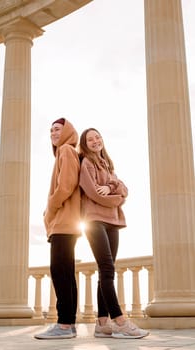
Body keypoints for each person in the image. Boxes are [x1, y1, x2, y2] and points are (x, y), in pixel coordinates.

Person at [79, 127, 149, 339]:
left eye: (97, 137)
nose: (95, 141)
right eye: (90, 139)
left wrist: (111, 187)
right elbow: (92, 192)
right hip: (94, 220)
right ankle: (119, 321)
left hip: (113, 221)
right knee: (107, 268)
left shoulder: (107, 165)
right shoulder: (87, 163)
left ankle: (101, 324)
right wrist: (116, 197)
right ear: (85, 144)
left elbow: (124, 190)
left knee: (105, 271)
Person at [34, 118, 81, 339]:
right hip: (68, 223)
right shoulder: (68, 151)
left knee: (59, 273)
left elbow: (67, 185)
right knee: (66, 274)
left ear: (67, 132)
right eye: (51, 130)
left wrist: (50, 209)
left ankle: (63, 325)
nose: (53, 133)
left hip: (63, 222)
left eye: (58, 130)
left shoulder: (65, 150)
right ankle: (69, 324)